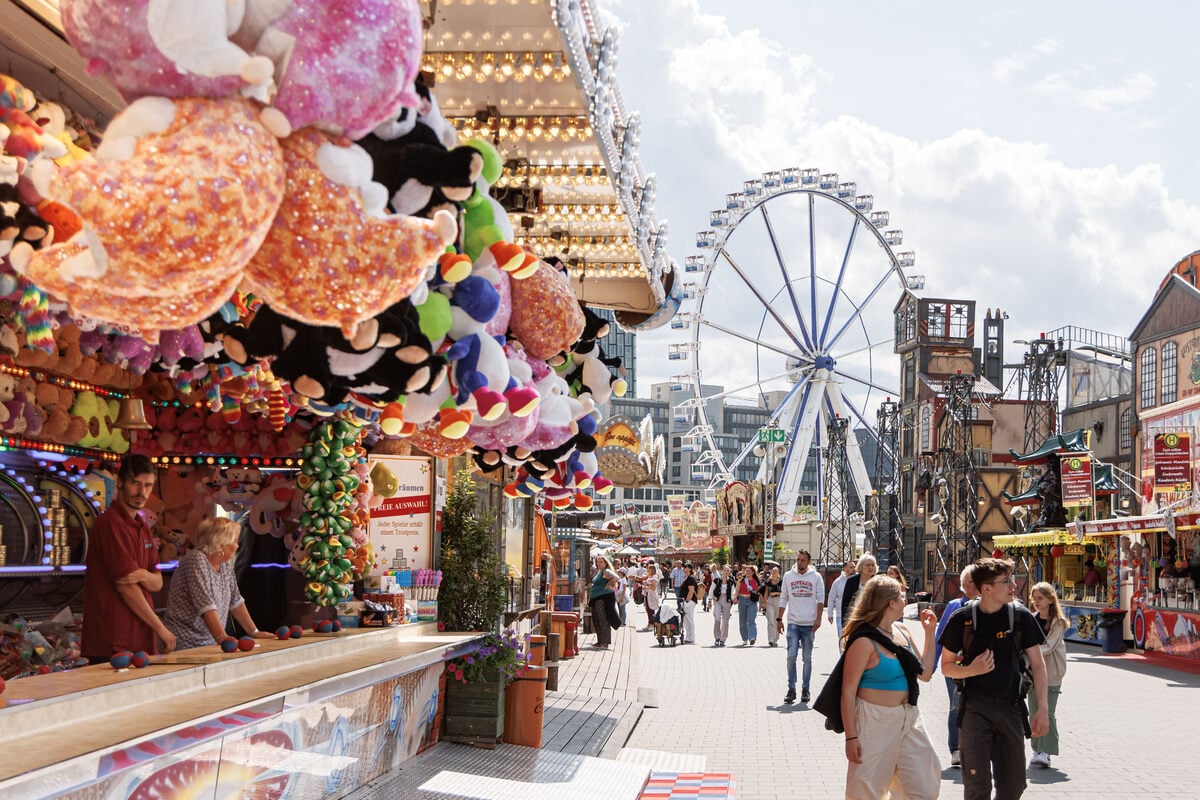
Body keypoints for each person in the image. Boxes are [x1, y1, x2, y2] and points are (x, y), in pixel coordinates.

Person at [939, 558, 1049, 800]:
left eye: (1012, 579)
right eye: (1006, 581)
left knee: (1013, 787)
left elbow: (1039, 666)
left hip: (1010, 709)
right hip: (975, 709)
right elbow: (945, 667)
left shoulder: (1021, 618)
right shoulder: (961, 619)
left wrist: (1042, 709)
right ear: (986, 588)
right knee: (977, 787)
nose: (1014, 585)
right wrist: (972, 670)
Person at [840, 575, 941, 799]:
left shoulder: (902, 630)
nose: (907, 599)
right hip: (874, 720)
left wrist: (929, 632)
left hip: (909, 717)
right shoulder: (863, 640)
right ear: (891, 603)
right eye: (902, 596)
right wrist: (851, 737)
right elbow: (847, 692)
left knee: (924, 785)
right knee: (866, 790)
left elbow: (924, 673)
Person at [83, 455, 177, 662]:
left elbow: (157, 583)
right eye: (135, 483)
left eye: (148, 485)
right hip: (113, 638)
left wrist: (142, 574)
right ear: (120, 482)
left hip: (140, 635)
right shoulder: (109, 523)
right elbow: (126, 587)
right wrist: (160, 628)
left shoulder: (143, 527)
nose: (142, 492)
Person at [164, 518, 274, 650]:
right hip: (186, 641)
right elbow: (205, 605)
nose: (237, 546)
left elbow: (236, 601)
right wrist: (222, 637)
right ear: (220, 544)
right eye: (234, 541)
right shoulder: (196, 560)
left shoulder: (225, 564)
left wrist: (254, 632)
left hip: (210, 641)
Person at [934, 564, 978, 768]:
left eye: (976, 581)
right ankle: (956, 749)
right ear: (962, 585)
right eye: (969, 582)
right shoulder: (954, 606)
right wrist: (931, 664)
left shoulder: (988, 606)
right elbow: (940, 637)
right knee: (956, 705)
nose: (974, 585)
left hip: (979, 667)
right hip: (955, 665)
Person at [1028, 581, 1067, 768]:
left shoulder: (1058, 622)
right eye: (1034, 598)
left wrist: (1027, 651)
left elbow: (1049, 647)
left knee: (1047, 712)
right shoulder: (1031, 619)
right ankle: (1036, 747)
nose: (1036, 602)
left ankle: (1046, 751)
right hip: (1032, 673)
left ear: (1051, 600)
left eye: (1040, 598)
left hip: (1051, 673)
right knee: (1033, 712)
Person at [779, 550, 824, 703]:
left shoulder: (816, 577)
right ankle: (791, 689)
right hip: (793, 622)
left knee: (807, 658)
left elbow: (820, 599)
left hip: (809, 624)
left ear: (809, 562)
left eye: (803, 560)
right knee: (791, 656)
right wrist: (779, 619)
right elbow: (783, 597)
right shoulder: (788, 576)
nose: (800, 563)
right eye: (798, 560)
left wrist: (818, 619)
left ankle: (806, 688)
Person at [588, 553, 619, 649]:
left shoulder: (606, 571)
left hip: (603, 599)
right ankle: (600, 641)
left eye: (601, 562)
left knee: (603, 620)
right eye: (598, 562)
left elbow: (616, 578)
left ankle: (605, 642)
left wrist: (609, 584)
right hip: (596, 599)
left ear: (605, 563)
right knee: (596, 620)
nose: (599, 563)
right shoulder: (599, 571)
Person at [841, 554, 879, 625]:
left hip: (873, 620)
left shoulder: (878, 582)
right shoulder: (852, 581)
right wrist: (844, 623)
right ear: (861, 566)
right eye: (868, 565)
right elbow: (845, 603)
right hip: (855, 619)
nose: (871, 567)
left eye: (872, 565)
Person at [827, 560, 856, 639]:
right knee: (842, 638)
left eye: (854, 567)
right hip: (841, 615)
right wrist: (830, 613)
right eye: (851, 567)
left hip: (855, 615)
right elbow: (831, 598)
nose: (854, 569)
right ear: (845, 569)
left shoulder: (858, 581)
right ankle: (842, 652)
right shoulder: (838, 582)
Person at [711, 564, 735, 646]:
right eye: (725, 570)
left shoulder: (731, 581)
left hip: (727, 600)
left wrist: (733, 599)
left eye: (728, 571)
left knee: (725, 620)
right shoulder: (717, 580)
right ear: (722, 571)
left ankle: (723, 638)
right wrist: (710, 600)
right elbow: (711, 590)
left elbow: (733, 591)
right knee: (717, 618)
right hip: (718, 600)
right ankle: (717, 637)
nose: (726, 572)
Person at [736, 564, 760, 646]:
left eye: (749, 571)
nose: (747, 572)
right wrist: (735, 597)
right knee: (742, 621)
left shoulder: (756, 581)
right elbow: (737, 589)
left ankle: (752, 637)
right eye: (746, 571)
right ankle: (745, 638)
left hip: (751, 601)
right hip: (742, 600)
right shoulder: (741, 580)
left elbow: (759, 591)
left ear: (753, 572)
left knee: (751, 620)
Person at [760, 566, 784, 647]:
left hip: (779, 601)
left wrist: (776, 593)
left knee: (777, 620)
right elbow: (766, 593)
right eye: (772, 571)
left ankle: (775, 639)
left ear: (778, 573)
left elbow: (783, 593)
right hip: (770, 601)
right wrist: (764, 602)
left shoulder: (781, 582)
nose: (773, 573)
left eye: (775, 571)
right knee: (770, 620)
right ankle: (771, 639)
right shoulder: (768, 582)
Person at [679, 563, 698, 643]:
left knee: (689, 619)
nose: (684, 568)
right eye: (684, 567)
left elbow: (691, 591)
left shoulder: (691, 578)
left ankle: (691, 638)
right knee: (686, 620)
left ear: (690, 569)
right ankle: (688, 637)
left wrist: (686, 601)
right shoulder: (686, 577)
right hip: (685, 601)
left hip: (689, 601)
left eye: (685, 567)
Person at [640, 562, 661, 632]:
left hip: (651, 595)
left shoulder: (654, 576)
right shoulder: (650, 576)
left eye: (648, 568)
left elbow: (654, 587)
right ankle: (650, 623)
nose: (647, 569)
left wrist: (647, 584)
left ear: (652, 569)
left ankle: (652, 624)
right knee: (648, 609)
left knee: (651, 610)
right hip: (647, 594)